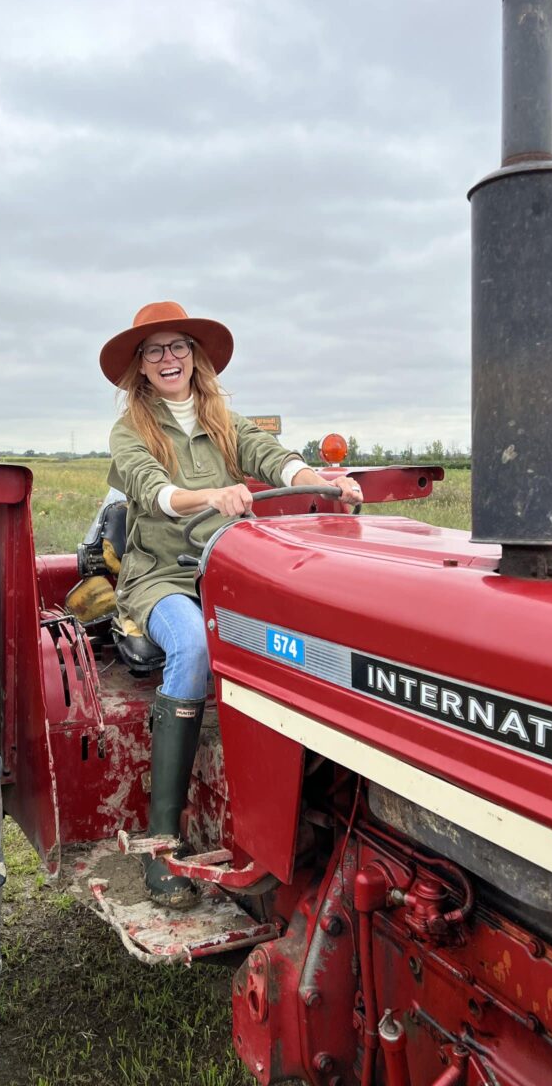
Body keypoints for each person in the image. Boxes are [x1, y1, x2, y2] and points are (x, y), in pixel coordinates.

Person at [99, 301, 362, 907]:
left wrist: (323, 483)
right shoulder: (130, 431)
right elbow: (154, 493)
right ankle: (161, 840)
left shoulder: (224, 420)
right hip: (162, 575)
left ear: (196, 357)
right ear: (141, 366)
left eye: (178, 347)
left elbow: (275, 459)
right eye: (155, 350)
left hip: (226, 567)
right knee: (193, 645)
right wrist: (208, 496)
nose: (169, 358)